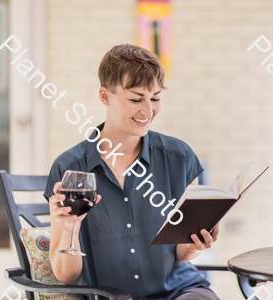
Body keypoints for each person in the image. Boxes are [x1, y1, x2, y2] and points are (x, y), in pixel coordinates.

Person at [44, 44, 220, 300]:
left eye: (156, 98)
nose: (148, 111)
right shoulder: (70, 168)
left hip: (180, 292)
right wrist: (68, 230)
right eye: (136, 99)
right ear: (105, 97)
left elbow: (182, 254)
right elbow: (66, 277)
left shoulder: (180, 158)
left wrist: (195, 245)